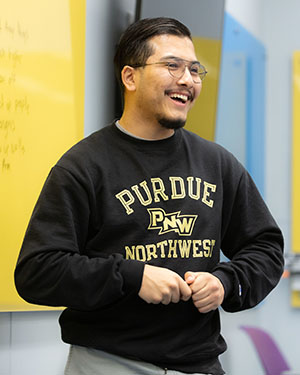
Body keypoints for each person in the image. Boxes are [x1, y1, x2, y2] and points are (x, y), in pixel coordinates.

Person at [14, 17, 284, 375]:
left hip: (199, 364)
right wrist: (132, 276)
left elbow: (265, 248)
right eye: (172, 66)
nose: (187, 80)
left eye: (194, 69)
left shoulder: (218, 164)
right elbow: (38, 271)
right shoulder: (83, 166)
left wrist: (226, 281)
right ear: (130, 77)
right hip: (109, 363)